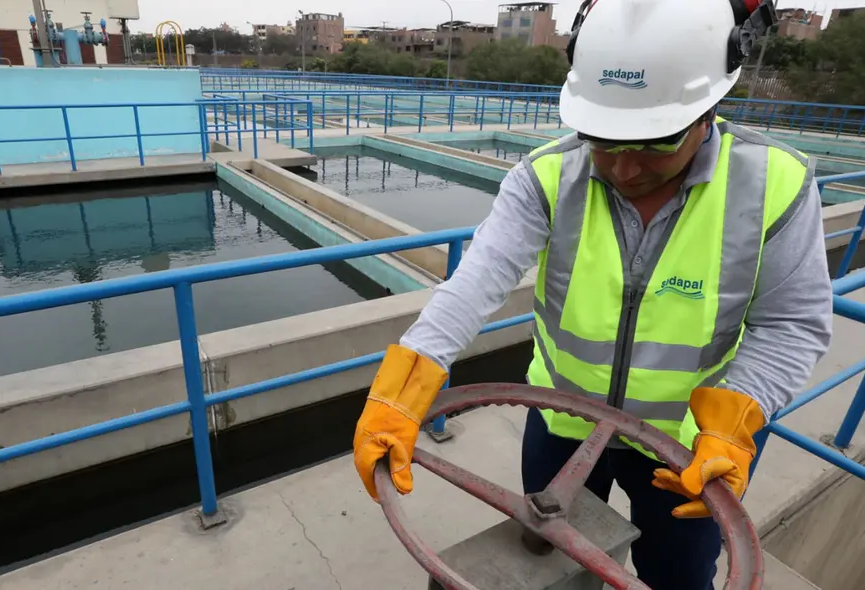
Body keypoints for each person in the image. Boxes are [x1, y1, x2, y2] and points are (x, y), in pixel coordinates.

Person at [352, 0, 833, 587]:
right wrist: (405, 386)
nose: (625, 169)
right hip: (561, 425)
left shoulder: (774, 184)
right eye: (603, 141)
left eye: (654, 144)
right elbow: (475, 281)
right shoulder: (547, 177)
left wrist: (730, 426)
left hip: (687, 450)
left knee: (676, 575)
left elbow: (791, 323)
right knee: (545, 563)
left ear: (709, 108)